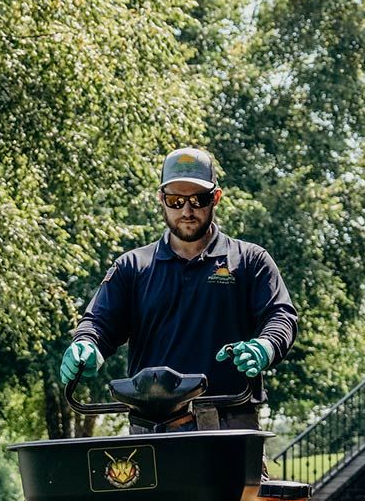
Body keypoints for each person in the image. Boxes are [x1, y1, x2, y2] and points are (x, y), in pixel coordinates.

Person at [57, 147, 297, 430]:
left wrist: (265, 346)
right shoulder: (132, 267)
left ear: (216, 197)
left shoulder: (249, 261)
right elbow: (99, 323)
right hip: (151, 427)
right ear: (161, 199)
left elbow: (281, 317)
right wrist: (86, 343)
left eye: (198, 199)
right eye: (175, 200)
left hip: (229, 423)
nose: (186, 210)